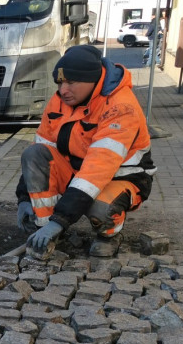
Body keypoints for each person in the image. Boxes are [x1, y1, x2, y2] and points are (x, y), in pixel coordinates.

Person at [16, 44, 155, 258]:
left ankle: (109, 234)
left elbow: (97, 170)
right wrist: (24, 198)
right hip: (77, 173)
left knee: (101, 210)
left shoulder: (120, 107)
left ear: (93, 80)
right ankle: (44, 231)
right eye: (60, 82)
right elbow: (40, 152)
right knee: (33, 153)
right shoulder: (59, 101)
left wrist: (60, 220)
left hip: (120, 178)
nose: (63, 90)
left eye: (71, 82)